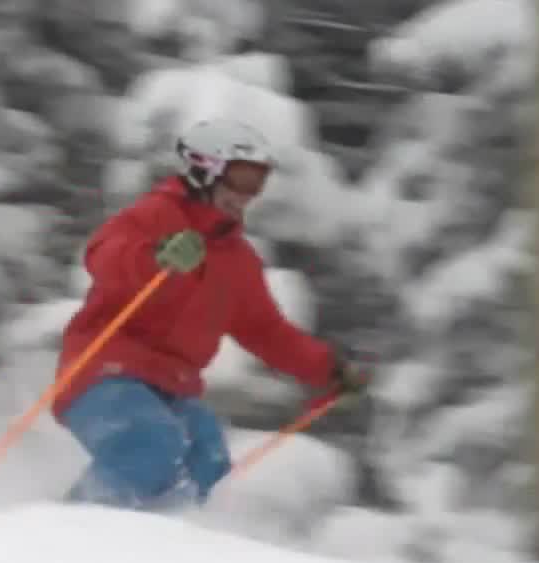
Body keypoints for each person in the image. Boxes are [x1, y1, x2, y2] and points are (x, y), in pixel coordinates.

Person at [51, 118, 371, 511]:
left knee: (207, 459)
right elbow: (102, 255)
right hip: (104, 371)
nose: (247, 194)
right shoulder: (155, 215)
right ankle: (69, 531)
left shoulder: (237, 261)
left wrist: (329, 370)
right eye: (239, 179)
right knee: (151, 443)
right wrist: (154, 258)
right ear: (204, 169)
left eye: (257, 182)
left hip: (172, 386)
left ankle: (162, 541)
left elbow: (267, 332)